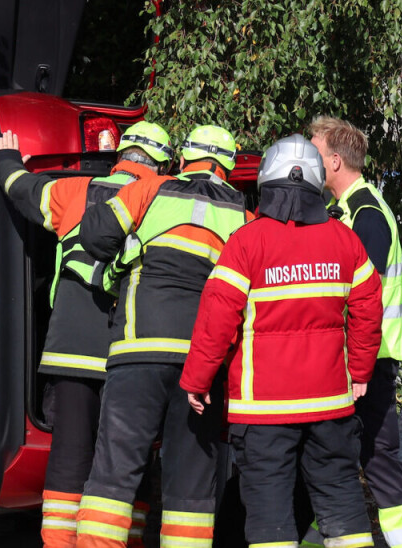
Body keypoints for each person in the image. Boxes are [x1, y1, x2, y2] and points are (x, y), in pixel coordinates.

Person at [180, 134, 383, 548]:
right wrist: (360, 371)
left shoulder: (246, 242)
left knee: (270, 511)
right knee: (342, 500)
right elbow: (369, 309)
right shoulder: (345, 241)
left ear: (267, 181)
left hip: (264, 409)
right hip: (330, 405)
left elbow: (217, 318)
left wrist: (197, 380)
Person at [0, 120, 173, 548]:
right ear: (164, 164)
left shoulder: (77, 191)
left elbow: (22, 189)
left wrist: (5, 158)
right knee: (129, 461)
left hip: (72, 351)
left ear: (120, 157)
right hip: (132, 353)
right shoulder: (165, 199)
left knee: (70, 459)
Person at [74, 125, 250, 548]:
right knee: (190, 490)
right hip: (202, 368)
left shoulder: (151, 188)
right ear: (226, 167)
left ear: (184, 159)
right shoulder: (244, 218)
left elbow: (93, 235)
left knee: (115, 476)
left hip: (139, 350)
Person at [305, 116, 402, 548]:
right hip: (364, 357)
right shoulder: (354, 208)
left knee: (368, 457)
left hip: (366, 360)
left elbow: (360, 296)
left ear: (334, 161)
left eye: (315, 155)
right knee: (345, 455)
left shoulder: (365, 213)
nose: (309, 165)